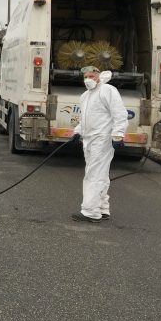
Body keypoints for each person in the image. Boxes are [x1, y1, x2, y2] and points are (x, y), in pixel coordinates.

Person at [71, 65, 128, 223]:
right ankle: (102, 208)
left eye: (92, 76)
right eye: (86, 77)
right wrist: (78, 132)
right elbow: (85, 118)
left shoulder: (107, 90)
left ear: (99, 76)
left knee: (93, 175)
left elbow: (119, 113)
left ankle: (90, 211)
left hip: (102, 139)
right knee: (100, 174)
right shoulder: (85, 96)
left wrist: (117, 135)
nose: (88, 79)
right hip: (89, 139)